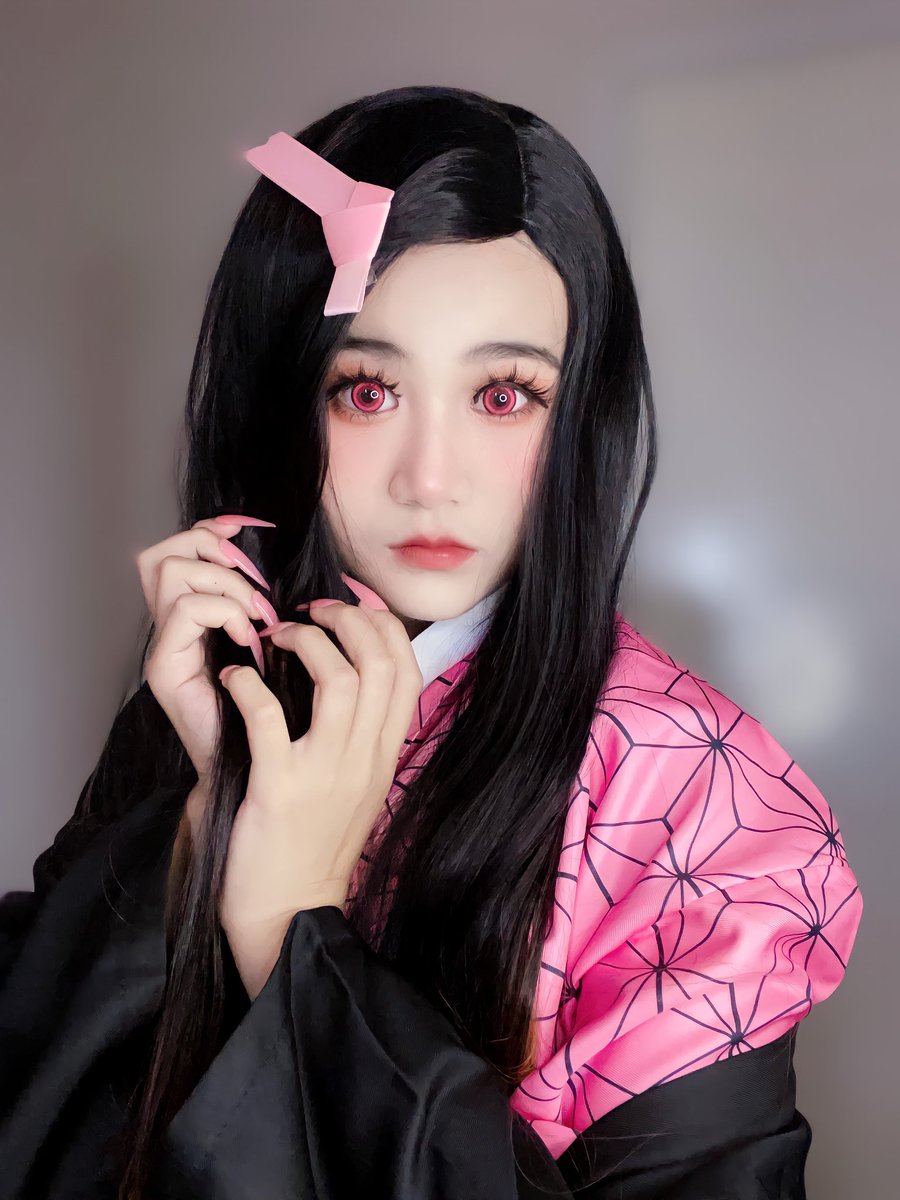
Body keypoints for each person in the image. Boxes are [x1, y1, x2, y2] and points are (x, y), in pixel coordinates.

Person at [0, 84, 862, 1200]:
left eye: (503, 395)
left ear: (581, 410)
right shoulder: (217, 680)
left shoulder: (702, 795)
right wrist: (197, 817)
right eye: (367, 390)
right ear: (284, 396)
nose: (430, 478)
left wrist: (292, 934)